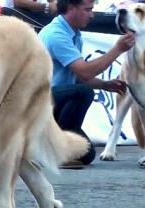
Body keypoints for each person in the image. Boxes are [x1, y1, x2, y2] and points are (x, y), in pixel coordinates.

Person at [37, 0, 135, 168]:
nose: (91, 15)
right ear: (71, 8)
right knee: (82, 93)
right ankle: (58, 150)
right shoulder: (56, 35)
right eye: (88, 10)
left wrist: (104, 85)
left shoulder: (73, 34)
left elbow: (76, 76)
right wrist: (118, 49)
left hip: (53, 98)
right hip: (39, 102)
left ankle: (46, 146)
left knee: (87, 154)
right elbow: (85, 72)